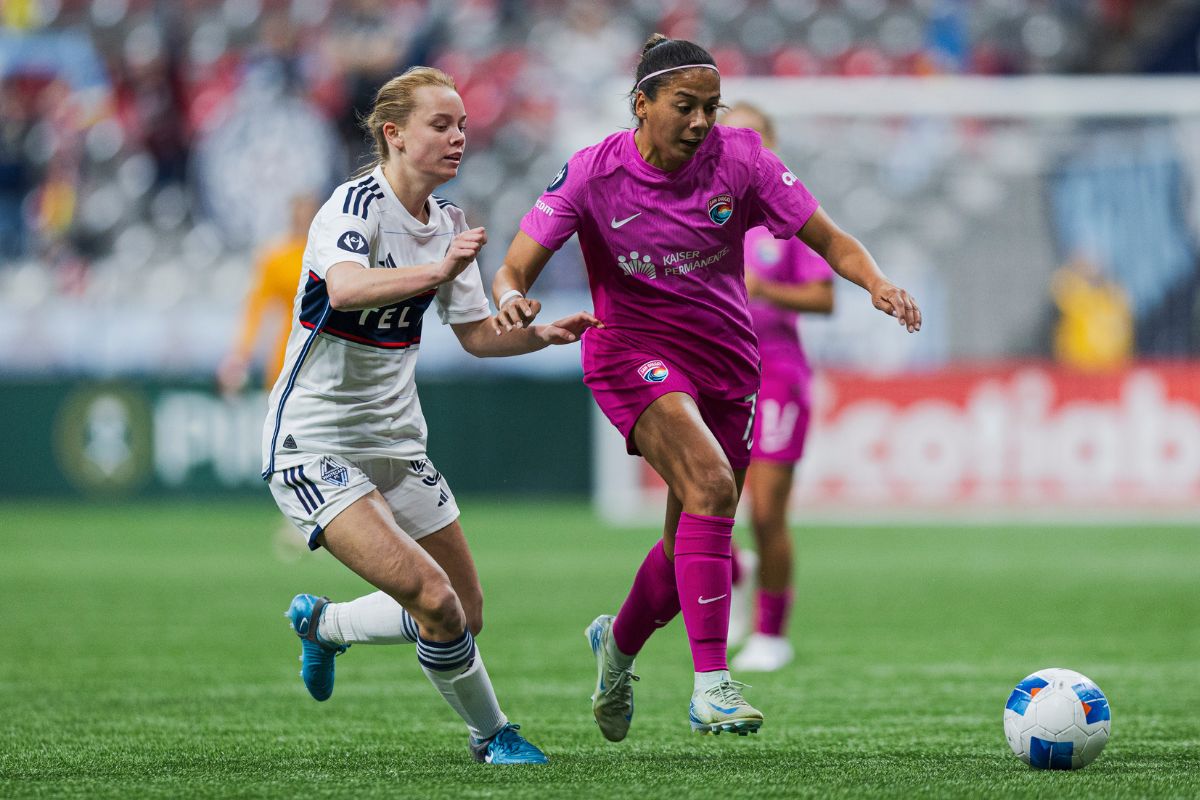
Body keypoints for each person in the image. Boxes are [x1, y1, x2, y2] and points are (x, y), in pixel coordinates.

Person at [492, 35, 920, 740]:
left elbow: (829, 238)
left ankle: (617, 649)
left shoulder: (743, 157)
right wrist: (511, 297)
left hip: (727, 366)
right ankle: (713, 685)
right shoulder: (592, 174)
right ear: (642, 104)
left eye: (711, 109)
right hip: (629, 352)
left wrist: (876, 283)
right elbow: (515, 266)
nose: (701, 122)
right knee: (716, 488)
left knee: (686, 542)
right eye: (685, 107)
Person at [261, 66, 599, 765]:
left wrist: (537, 335)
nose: (458, 138)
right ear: (394, 133)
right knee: (433, 600)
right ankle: (492, 734)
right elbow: (348, 288)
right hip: (314, 441)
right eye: (441, 125)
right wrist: (440, 271)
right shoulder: (352, 208)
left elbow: (476, 335)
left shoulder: (448, 223)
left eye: (464, 126)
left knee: (463, 614)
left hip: (397, 441)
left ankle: (323, 624)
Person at [719, 103, 835, 673]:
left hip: (776, 377)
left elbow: (826, 297)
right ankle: (736, 582)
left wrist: (763, 287)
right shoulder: (702, 214)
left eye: (751, 136)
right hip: (715, 376)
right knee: (707, 507)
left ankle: (772, 633)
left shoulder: (785, 218)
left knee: (766, 512)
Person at [219, 194, 320, 395]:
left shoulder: (328, 251)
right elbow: (255, 309)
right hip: (290, 347)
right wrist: (240, 354)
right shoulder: (276, 257)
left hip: (326, 344)